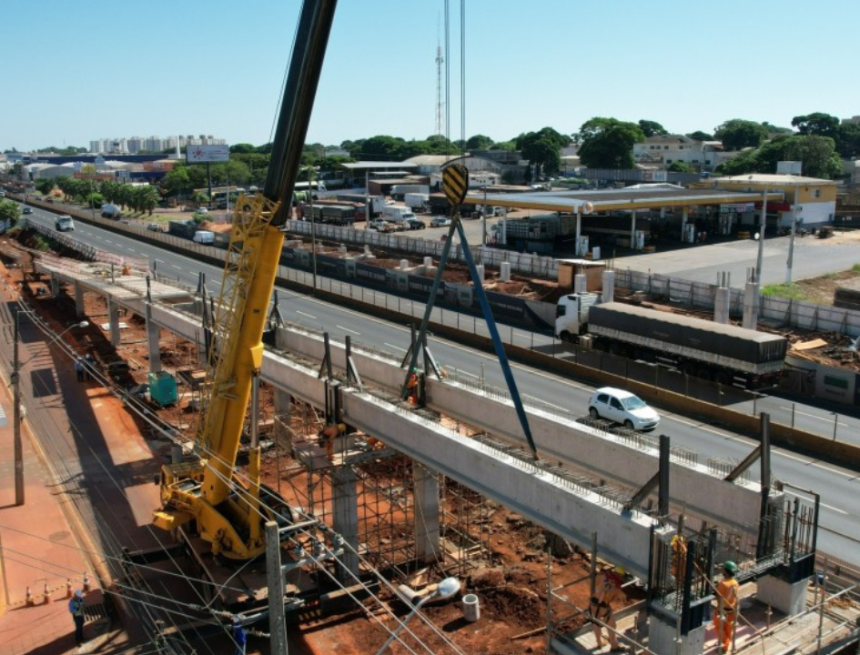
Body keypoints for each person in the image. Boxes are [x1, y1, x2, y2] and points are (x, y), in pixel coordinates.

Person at [590, 566, 627, 652]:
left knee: (595, 621)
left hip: (593, 602)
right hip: (603, 606)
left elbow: (596, 582)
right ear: (621, 576)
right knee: (611, 625)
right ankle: (614, 646)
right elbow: (619, 598)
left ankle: (599, 643)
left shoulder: (603, 576)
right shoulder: (617, 587)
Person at [713, 561, 740, 654]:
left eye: (724, 570)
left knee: (719, 627)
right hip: (732, 610)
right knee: (729, 629)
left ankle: (725, 646)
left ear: (726, 572)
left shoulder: (723, 584)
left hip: (723, 610)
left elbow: (719, 598)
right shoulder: (735, 583)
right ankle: (726, 644)